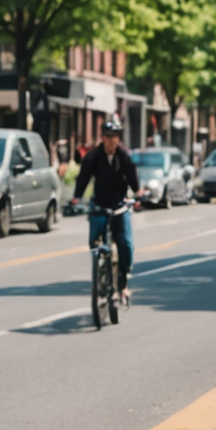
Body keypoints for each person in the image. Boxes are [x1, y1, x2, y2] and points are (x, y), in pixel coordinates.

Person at [72, 118, 139, 302]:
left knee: (125, 244)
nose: (112, 140)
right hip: (100, 206)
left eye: (115, 137)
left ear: (119, 138)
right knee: (95, 243)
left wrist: (138, 194)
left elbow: (133, 178)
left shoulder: (123, 157)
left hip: (119, 206)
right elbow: (83, 178)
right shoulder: (93, 157)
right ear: (102, 137)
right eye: (108, 137)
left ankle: (123, 283)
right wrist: (77, 197)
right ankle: (100, 272)